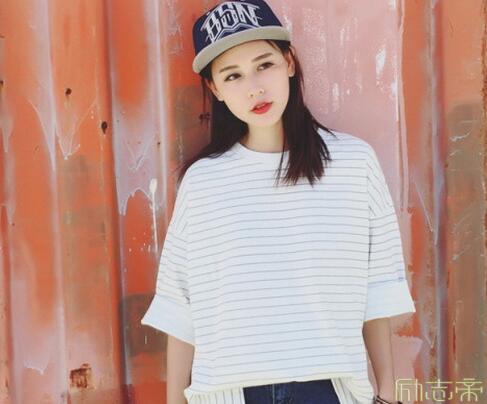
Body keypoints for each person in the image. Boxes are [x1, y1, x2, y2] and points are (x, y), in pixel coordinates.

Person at [141, 1, 415, 403]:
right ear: (215, 89)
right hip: (232, 393)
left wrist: (388, 391)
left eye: (264, 64)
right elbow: (181, 306)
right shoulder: (204, 183)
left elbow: (377, 286)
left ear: (289, 62)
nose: (254, 87)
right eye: (233, 75)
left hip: (330, 389)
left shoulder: (354, 164)